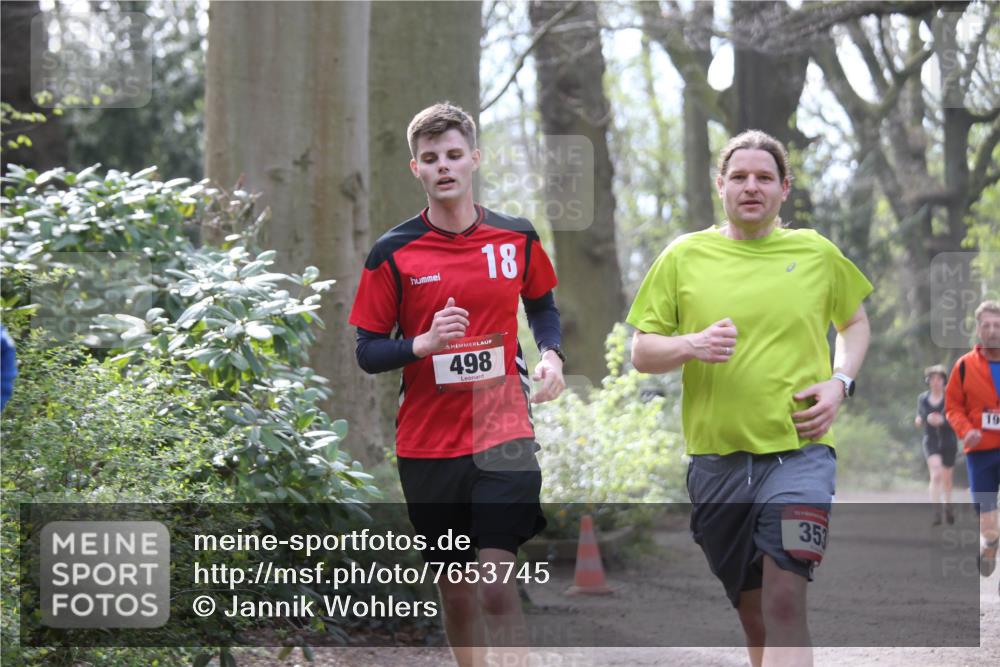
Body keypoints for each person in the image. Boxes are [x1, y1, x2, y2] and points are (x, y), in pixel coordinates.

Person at [627, 130, 872, 667]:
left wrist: (840, 382)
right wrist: (692, 344)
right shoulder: (684, 256)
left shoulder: (815, 253)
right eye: (739, 177)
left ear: (785, 188)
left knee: (785, 601)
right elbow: (642, 351)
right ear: (721, 185)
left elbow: (854, 322)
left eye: (764, 177)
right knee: (756, 617)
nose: (751, 187)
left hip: (799, 453)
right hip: (717, 463)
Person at [348, 103, 565, 666]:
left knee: (495, 586)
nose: (443, 166)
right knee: (459, 593)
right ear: (415, 168)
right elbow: (367, 352)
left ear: (474, 159)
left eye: (452, 155)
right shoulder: (393, 251)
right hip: (428, 446)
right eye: (430, 158)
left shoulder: (516, 236)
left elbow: (542, 305)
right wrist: (420, 345)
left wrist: (551, 355)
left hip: (504, 433)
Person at [945, 300, 1000, 598]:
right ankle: (991, 543)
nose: (992, 331)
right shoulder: (965, 366)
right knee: (987, 520)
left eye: (997, 325)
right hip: (980, 454)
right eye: (987, 325)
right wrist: (967, 431)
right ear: (978, 329)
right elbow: (952, 407)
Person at [915, 364, 958, 525]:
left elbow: (957, 418)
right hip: (931, 440)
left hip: (948, 440)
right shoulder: (923, 398)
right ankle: (936, 511)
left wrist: (943, 421)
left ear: (944, 381)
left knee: (947, 478)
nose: (935, 382)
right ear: (928, 381)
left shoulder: (951, 397)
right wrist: (921, 420)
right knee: (936, 474)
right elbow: (920, 415)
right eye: (932, 379)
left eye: (939, 379)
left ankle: (948, 506)